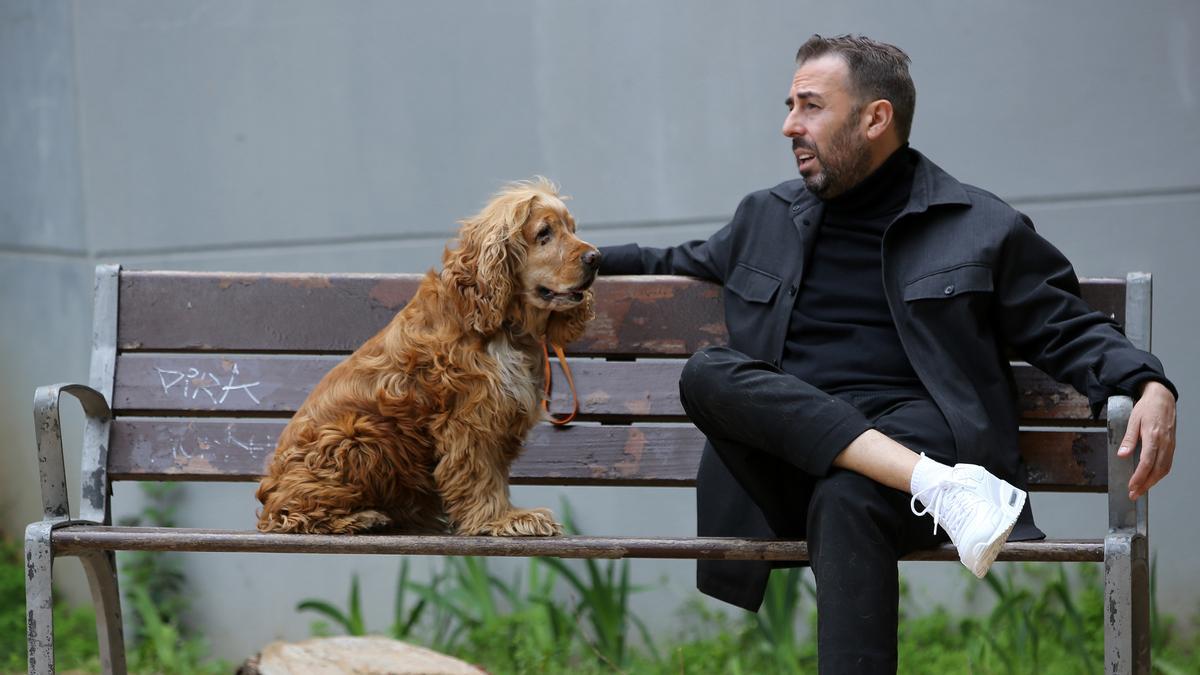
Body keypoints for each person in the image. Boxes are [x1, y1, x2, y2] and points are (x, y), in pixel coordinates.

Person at [597, 34, 1178, 673]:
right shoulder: (764, 216)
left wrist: (1150, 384)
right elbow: (664, 264)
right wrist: (539, 258)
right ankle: (947, 490)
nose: (789, 124)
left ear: (876, 118)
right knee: (709, 372)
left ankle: (929, 478)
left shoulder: (976, 224)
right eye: (791, 104)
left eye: (811, 106)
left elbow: (1064, 327)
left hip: (913, 438)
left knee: (848, 496)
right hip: (801, 465)